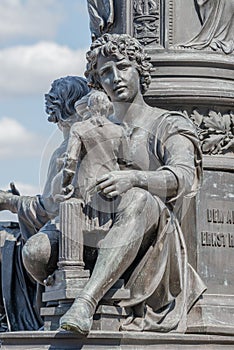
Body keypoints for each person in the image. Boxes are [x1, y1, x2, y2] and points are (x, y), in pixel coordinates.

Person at [59, 33, 206, 334]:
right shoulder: (92, 128)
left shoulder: (167, 123)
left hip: (153, 234)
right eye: (105, 73)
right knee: (34, 252)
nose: (115, 78)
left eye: (123, 67)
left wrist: (134, 179)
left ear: (140, 69)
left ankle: (86, 302)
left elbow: (183, 175)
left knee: (138, 199)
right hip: (95, 221)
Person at [0, 76, 90, 330]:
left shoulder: (67, 148)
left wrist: (10, 201)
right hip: (73, 229)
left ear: (54, 109)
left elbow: (51, 207)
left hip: (69, 235)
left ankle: (20, 320)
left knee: (4, 242)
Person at [55, 90, 128, 210]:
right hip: (111, 185)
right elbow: (125, 163)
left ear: (89, 108)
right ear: (107, 107)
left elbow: (71, 160)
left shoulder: (79, 128)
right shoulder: (119, 130)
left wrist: (65, 184)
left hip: (86, 187)